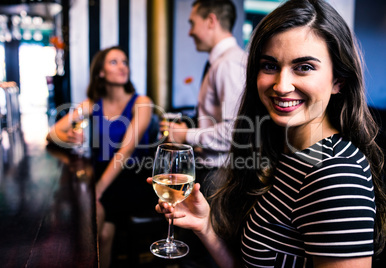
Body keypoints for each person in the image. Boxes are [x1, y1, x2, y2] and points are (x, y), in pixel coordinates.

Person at [149, 0, 386, 267]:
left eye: (304, 67)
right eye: (270, 66)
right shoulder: (286, 150)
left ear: (338, 80)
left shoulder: (336, 174)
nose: (282, 86)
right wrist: (205, 228)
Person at [47, 46, 155, 268]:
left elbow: (125, 152)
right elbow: (52, 133)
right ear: (100, 73)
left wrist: (98, 189)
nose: (123, 66)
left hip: (132, 176)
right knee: (103, 234)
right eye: (114, 62)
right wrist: (71, 137)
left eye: (124, 61)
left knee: (94, 214)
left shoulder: (141, 102)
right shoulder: (92, 104)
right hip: (101, 172)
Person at [162, 0, 247, 185]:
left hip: (220, 175)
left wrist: (185, 135)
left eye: (192, 23)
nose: (190, 32)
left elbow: (236, 131)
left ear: (211, 21)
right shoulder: (222, 62)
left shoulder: (228, 64)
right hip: (215, 171)